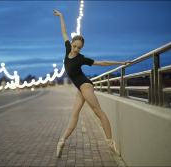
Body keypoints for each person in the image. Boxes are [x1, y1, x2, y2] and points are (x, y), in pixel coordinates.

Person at [53, 9, 131, 158]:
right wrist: (61, 16)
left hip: (85, 85)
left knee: (98, 112)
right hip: (79, 88)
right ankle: (61, 141)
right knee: (74, 115)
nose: (76, 49)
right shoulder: (67, 48)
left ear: (82, 48)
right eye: (75, 46)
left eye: (79, 48)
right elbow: (63, 32)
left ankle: (110, 143)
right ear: (71, 44)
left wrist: (121, 62)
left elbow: (101, 63)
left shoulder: (81, 58)